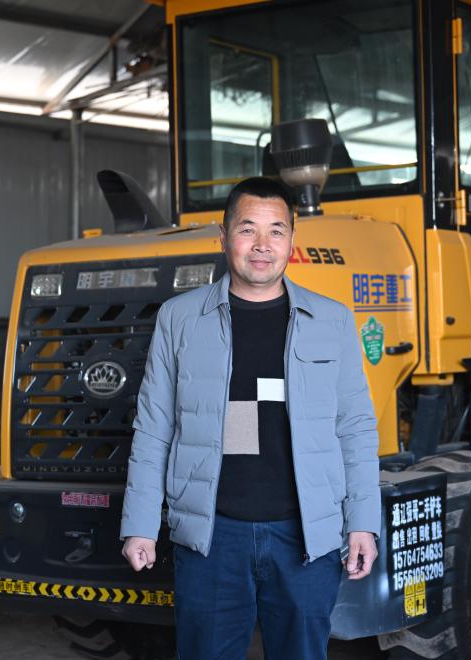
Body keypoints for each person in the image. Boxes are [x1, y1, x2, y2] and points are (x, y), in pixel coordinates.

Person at [120, 176, 381, 660]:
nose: (262, 245)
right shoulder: (180, 319)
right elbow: (155, 426)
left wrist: (363, 522)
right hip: (213, 538)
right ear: (223, 237)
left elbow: (355, 428)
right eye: (248, 229)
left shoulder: (332, 321)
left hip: (305, 537)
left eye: (276, 231)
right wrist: (140, 524)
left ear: (291, 240)